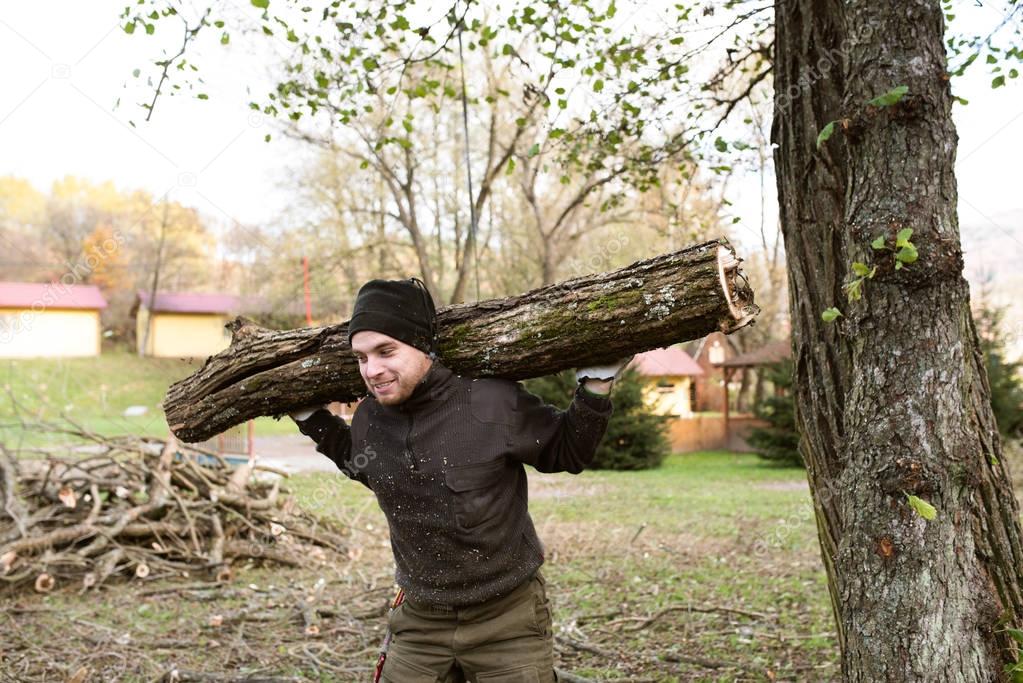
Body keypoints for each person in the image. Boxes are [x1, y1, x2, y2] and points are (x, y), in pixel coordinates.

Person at [290, 277, 628, 683]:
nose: (372, 370)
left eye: (386, 351)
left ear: (422, 345)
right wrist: (312, 420)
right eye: (361, 358)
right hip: (419, 621)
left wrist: (595, 387)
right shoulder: (370, 419)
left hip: (507, 618)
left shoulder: (490, 403)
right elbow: (363, 465)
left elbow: (566, 450)